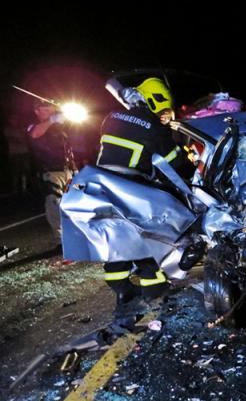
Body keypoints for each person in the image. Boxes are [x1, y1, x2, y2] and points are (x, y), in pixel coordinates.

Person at [97, 77, 195, 309]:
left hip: (104, 184)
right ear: (153, 101)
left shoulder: (111, 118)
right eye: (162, 109)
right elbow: (174, 162)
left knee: (117, 237)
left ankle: (121, 289)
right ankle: (154, 288)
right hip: (133, 186)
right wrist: (190, 163)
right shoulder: (153, 127)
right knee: (145, 235)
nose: (164, 114)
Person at [27, 100, 76, 246]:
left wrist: (74, 168)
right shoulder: (34, 126)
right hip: (50, 171)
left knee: (72, 202)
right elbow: (35, 134)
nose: (51, 113)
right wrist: (52, 120)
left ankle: (74, 234)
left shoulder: (58, 127)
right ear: (37, 111)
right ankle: (60, 239)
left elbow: (67, 148)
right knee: (53, 202)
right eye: (47, 110)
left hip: (67, 170)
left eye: (52, 110)